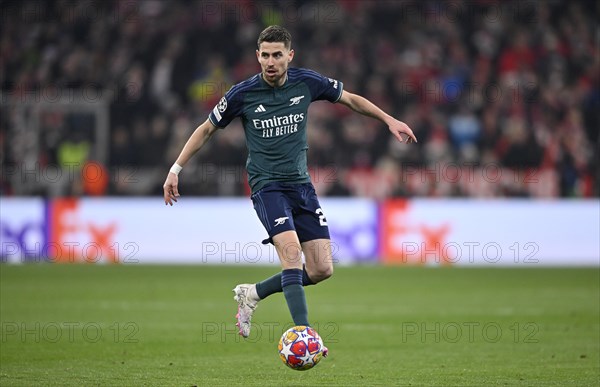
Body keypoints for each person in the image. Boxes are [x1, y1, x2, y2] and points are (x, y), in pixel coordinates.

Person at [162, 26, 417, 351]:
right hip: (267, 187)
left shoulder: (306, 82)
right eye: (265, 55)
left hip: (301, 186)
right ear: (258, 56)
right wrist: (176, 169)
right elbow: (206, 129)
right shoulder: (242, 94)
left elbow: (350, 99)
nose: (270, 61)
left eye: (277, 55)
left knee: (322, 268)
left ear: (289, 56)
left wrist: (389, 120)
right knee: (292, 256)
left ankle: (253, 293)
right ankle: (305, 335)